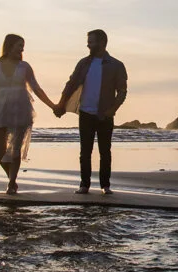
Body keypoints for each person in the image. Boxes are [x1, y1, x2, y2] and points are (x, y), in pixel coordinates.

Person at [0, 34, 59, 195]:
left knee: (15, 150)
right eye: (19, 45)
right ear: (9, 46)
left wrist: (53, 106)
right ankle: (11, 177)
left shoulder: (24, 67)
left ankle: (11, 183)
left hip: (21, 109)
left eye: (23, 46)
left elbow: (36, 89)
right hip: (1, 111)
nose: (22, 49)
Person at [54, 29, 128, 195]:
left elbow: (122, 91)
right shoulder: (83, 63)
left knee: (105, 151)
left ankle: (105, 185)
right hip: (85, 112)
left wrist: (112, 110)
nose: (88, 44)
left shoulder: (116, 65)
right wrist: (61, 104)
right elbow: (71, 84)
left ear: (102, 42)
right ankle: (84, 185)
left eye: (91, 41)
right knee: (85, 151)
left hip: (105, 114)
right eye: (88, 41)